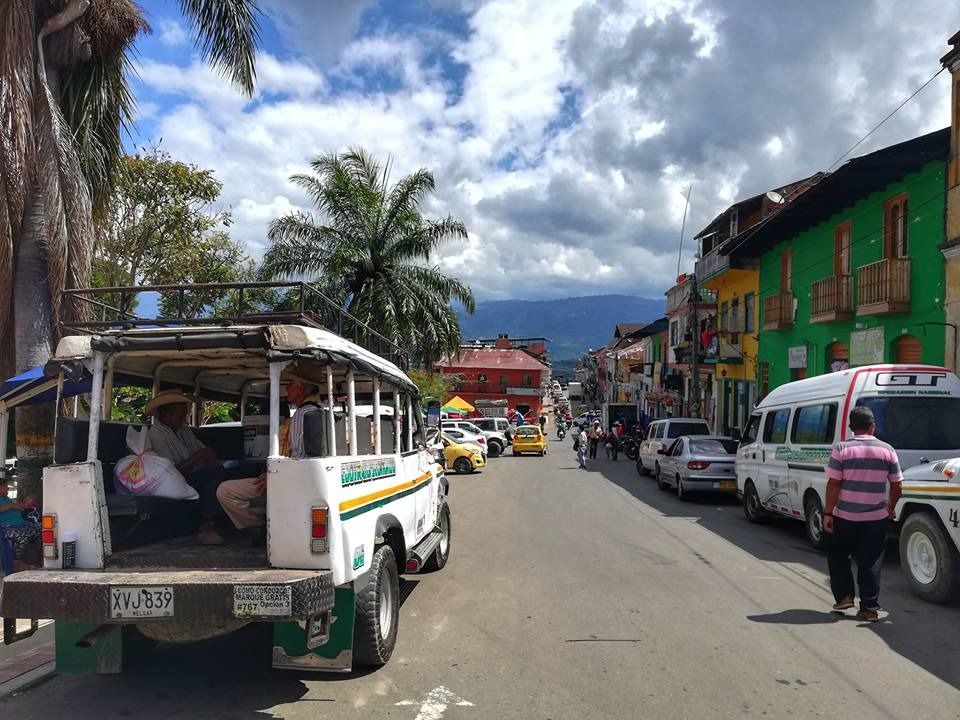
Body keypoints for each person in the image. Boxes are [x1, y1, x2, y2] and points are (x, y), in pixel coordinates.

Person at [216, 377, 324, 542]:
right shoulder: (318, 410)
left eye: (289, 385)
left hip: (287, 479)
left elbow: (299, 456)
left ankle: (260, 527)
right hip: (297, 478)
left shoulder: (302, 414)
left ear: (300, 389)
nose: (286, 389)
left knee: (225, 490)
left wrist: (276, 474)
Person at [823, 406, 902, 622]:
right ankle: (869, 608)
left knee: (838, 555)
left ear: (851, 428)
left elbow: (834, 484)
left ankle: (845, 597)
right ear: (872, 427)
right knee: (870, 562)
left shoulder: (842, 448)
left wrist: (828, 513)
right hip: (876, 519)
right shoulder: (888, 450)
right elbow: (897, 485)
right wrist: (890, 507)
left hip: (845, 516)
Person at [146, 390, 228, 545]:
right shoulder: (156, 435)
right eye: (180, 415)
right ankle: (207, 525)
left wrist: (210, 459)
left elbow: (205, 451)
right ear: (165, 415)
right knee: (210, 477)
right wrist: (199, 457)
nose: (184, 419)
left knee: (225, 473)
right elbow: (170, 470)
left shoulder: (184, 430)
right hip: (174, 481)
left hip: (195, 472)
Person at [0, 477, 40, 571]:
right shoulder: (7, 502)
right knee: (23, 536)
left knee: (41, 529)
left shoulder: (6, 499)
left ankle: (42, 560)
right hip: (7, 528)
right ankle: (16, 563)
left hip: (22, 524)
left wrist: (26, 503)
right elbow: (7, 508)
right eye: (5, 486)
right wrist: (12, 506)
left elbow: (20, 508)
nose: (8, 488)